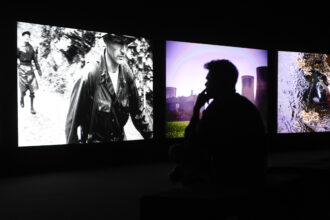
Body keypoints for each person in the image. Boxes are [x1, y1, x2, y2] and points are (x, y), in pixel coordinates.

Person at [169, 59, 267, 187]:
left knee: (175, 150)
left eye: (208, 79)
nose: (205, 84)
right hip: (254, 176)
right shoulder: (246, 105)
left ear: (219, 82)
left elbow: (191, 142)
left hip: (227, 179)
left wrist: (197, 108)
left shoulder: (217, 108)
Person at [65, 33, 153, 144]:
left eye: (126, 43)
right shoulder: (90, 75)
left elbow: (138, 114)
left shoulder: (126, 72)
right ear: (106, 40)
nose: (124, 50)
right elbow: (71, 126)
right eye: (119, 42)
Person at [17, 31, 42, 114]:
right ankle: (21, 97)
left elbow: (35, 60)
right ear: (23, 37)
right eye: (25, 36)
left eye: (28, 36)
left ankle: (32, 108)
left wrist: (39, 70)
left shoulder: (32, 48)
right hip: (22, 70)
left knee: (32, 89)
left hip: (30, 70)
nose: (27, 37)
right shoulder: (19, 47)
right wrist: (18, 66)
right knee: (23, 90)